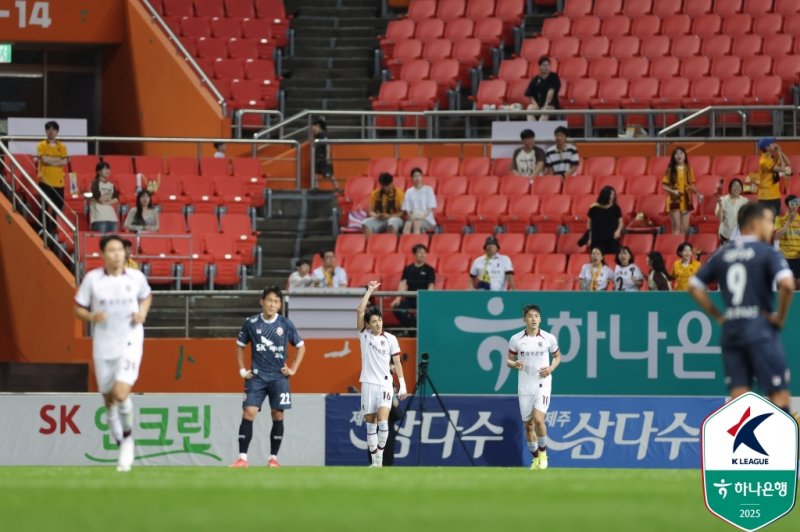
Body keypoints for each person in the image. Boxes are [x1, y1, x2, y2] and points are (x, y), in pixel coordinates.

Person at [688, 202, 795, 416]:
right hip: (760, 328)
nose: (770, 227)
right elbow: (787, 284)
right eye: (768, 222)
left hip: (732, 330)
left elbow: (694, 286)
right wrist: (780, 318)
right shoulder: (766, 252)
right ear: (756, 224)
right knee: (779, 394)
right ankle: (781, 447)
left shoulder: (722, 253)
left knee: (739, 395)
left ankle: (742, 445)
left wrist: (719, 317)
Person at [73, 234, 152, 472]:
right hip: (103, 344)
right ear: (103, 254)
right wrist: (91, 317)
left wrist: (142, 313)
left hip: (130, 341)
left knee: (120, 393)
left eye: (120, 250)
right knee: (108, 400)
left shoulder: (136, 277)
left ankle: (127, 439)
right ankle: (118, 433)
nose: (117, 254)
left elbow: (147, 296)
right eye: (112, 250)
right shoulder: (93, 280)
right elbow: (78, 309)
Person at [230, 286, 306, 468]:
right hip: (256, 377)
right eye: (270, 300)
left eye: (276, 301)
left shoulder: (285, 324)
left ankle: (273, 458)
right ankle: (242, 458)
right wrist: (242, 370)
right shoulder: (251, 323)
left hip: (279, 377)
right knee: (249, 413)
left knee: (278, 414)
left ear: (280, 305)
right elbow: (239, 346)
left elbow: (301, 347)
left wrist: (293, 369)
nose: (272, 304)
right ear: (262, 301)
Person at [356, 281, 408, 468]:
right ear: (368, 325)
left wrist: (402, 385)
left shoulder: (391, 339)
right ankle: (375, 459)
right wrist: (370, 290)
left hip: (385, 384)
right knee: (371, 423)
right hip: (368, 383)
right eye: (374, 322)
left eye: (380, 320)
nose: (378, 324)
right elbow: (360, 311)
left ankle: (379, 458)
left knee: (383, 421)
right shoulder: (365, 336)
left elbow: (397, 362)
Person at [507, 304, 561, 470]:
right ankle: (536, 458)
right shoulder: (516, 339)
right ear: (524, 319)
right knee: (528, 426)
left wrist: (551, 368)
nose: (534, 319)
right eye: (530, 316)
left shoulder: (548, 338)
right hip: (525, 385)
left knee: (538, 420)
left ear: (540, 319)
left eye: (536, 316)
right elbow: (508, 361)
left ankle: (544, 455)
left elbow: (557, 356)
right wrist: (514, 363)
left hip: (542, 383)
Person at [390, 244, 436, 328]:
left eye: (424, 252)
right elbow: (403, 284)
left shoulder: (429, 270)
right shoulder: (408, 269)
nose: (422, 255)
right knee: (396, 309)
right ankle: (412, 326)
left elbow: (431, 286)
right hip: (410, 299)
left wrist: (428, 300)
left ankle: (413, 328)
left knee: (427, 312)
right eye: (419, 252)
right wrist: (398, 299)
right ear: (414, 254)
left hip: (422, 300)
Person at [36, 120, 68, 232]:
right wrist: (58, 159)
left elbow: (65, 162)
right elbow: (44, 159)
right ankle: (42, 228)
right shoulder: (41, 145)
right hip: (45, 180)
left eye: (53, 129)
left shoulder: (62, 146)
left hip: (59, 182)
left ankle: (54, 228)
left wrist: (51, 161)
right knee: (44, 206)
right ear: (46, 131)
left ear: (57, 131)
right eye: (48, 129)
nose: (51, 131)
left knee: (58, 207)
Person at [749, 137, 792, 217]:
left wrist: (780, 152)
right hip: (766, 197)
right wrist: (778, 153)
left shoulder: (772, 157)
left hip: (775, 195)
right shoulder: (764, 161)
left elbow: (788, 162)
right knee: (766, 222)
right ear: (767, 147)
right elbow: (782, 169)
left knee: (775, 222)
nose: (775, 144)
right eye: (772, 143)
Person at [662, 147, 697, 235]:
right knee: (676, 228)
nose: (679, 156)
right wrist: (673, 192)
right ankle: (676, 247)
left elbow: (692, 185)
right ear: (674, 157)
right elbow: (664, 186)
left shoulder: (689, 169)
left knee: (684, 229)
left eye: (681, 153)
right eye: (677, 154)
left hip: (687, 200)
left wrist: (698, 193)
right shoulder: (671, 169)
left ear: (685, 156)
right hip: (674, 200)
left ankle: (683, 247)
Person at [585, 186, 623, 255]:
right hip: (597, 239)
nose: (612, 197)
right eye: (610, 195)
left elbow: (621, 223)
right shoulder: (594, 208)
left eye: (613, 195)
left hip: (611, 239)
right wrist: (589, 238)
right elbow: (589, 225)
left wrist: (618, 231)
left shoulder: (616, 208)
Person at [774, 194, 800, 288]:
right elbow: (776, 237)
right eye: (792, 204)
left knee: (798, 285)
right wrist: (789, 221)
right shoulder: (779, 219)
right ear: (787, 205)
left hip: (797, 257)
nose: (795, 206)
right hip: (784, 257)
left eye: (796, 203)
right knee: (781, 285)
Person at [525, 55, 561, 122]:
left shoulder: (554, 77)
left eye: (548, 65)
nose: (546, 67)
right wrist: (535, 104)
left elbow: (551, 91)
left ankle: (539, 129)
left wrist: (546, 104)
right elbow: (529, 94)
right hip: (538, 105)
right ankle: (532, 128)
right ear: (539, 66)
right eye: (544, 65)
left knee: (546, 110)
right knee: (529, 108)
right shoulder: (535, 79)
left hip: (551, 105)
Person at [401, 167, 437, 234]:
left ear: (422, 177)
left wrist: (422, 217)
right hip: (413, 217)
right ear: (411, 178)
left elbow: (430, 208)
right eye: (415, 176)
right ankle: (405, 243)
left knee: (416, 224)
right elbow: (407, 209)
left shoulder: (428, 189)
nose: (417, 178)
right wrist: (412, 217)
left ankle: (416, 242)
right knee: (407, 224)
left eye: (419, 176)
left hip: (426, 218)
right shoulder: (409, 191)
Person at [89, 161, 120, 233]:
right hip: (99, 219)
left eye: (109, 169)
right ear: (98, 171)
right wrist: (109, 197)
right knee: (101, 241)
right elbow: (99, 198)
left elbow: (116, 199)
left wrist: (106, 201)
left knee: (114, 241)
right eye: (105, 169)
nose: (108, 171)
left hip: (112, 218)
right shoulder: (95, 183)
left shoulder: (111, 185)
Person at [715, 178, 747, 244]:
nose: (737, 188)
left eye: (739, 186)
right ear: (730, 188)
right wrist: (721, 206)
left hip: (739, 236)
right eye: (734, 185)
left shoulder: (745, 201)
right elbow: (720, 218)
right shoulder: (723, 200)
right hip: (726, 235)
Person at [312, 118, 339, 191]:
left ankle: (337, 187)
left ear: (317, 126)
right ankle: (316, 187)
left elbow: (328, 144)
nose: (312, 129)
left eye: (313, 126)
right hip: (317, 157)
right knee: (315, 172)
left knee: (329, 174)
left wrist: (327, 156)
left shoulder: (323, 135)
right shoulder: (316, 136)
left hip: (323, 157)